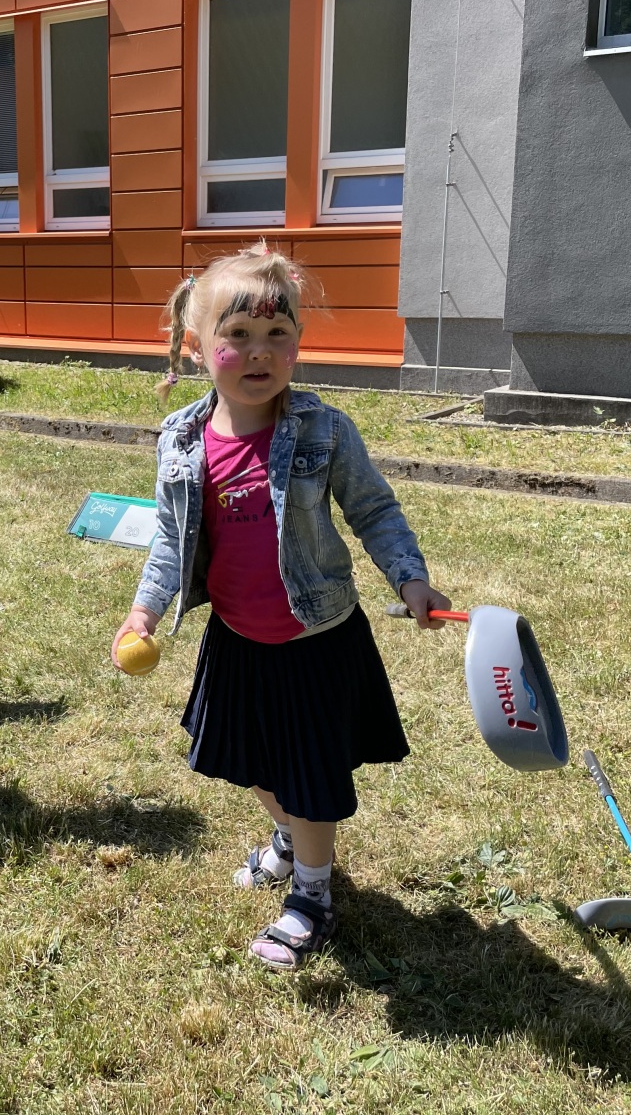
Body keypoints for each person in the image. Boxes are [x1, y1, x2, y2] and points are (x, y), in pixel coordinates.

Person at [109, 243, 453, 973]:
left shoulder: (324, 431)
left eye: (277, 334)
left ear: (298, 343)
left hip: (315, 637)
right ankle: (291, 839)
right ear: (198, 346)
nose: (260, 352)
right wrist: (144, 610)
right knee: (251, 762)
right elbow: (171, 537)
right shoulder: (182, 440)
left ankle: (313, 896)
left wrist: (410, 579)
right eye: (238, 335)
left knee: (308, 778)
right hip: (237, 637)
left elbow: (374, 510)